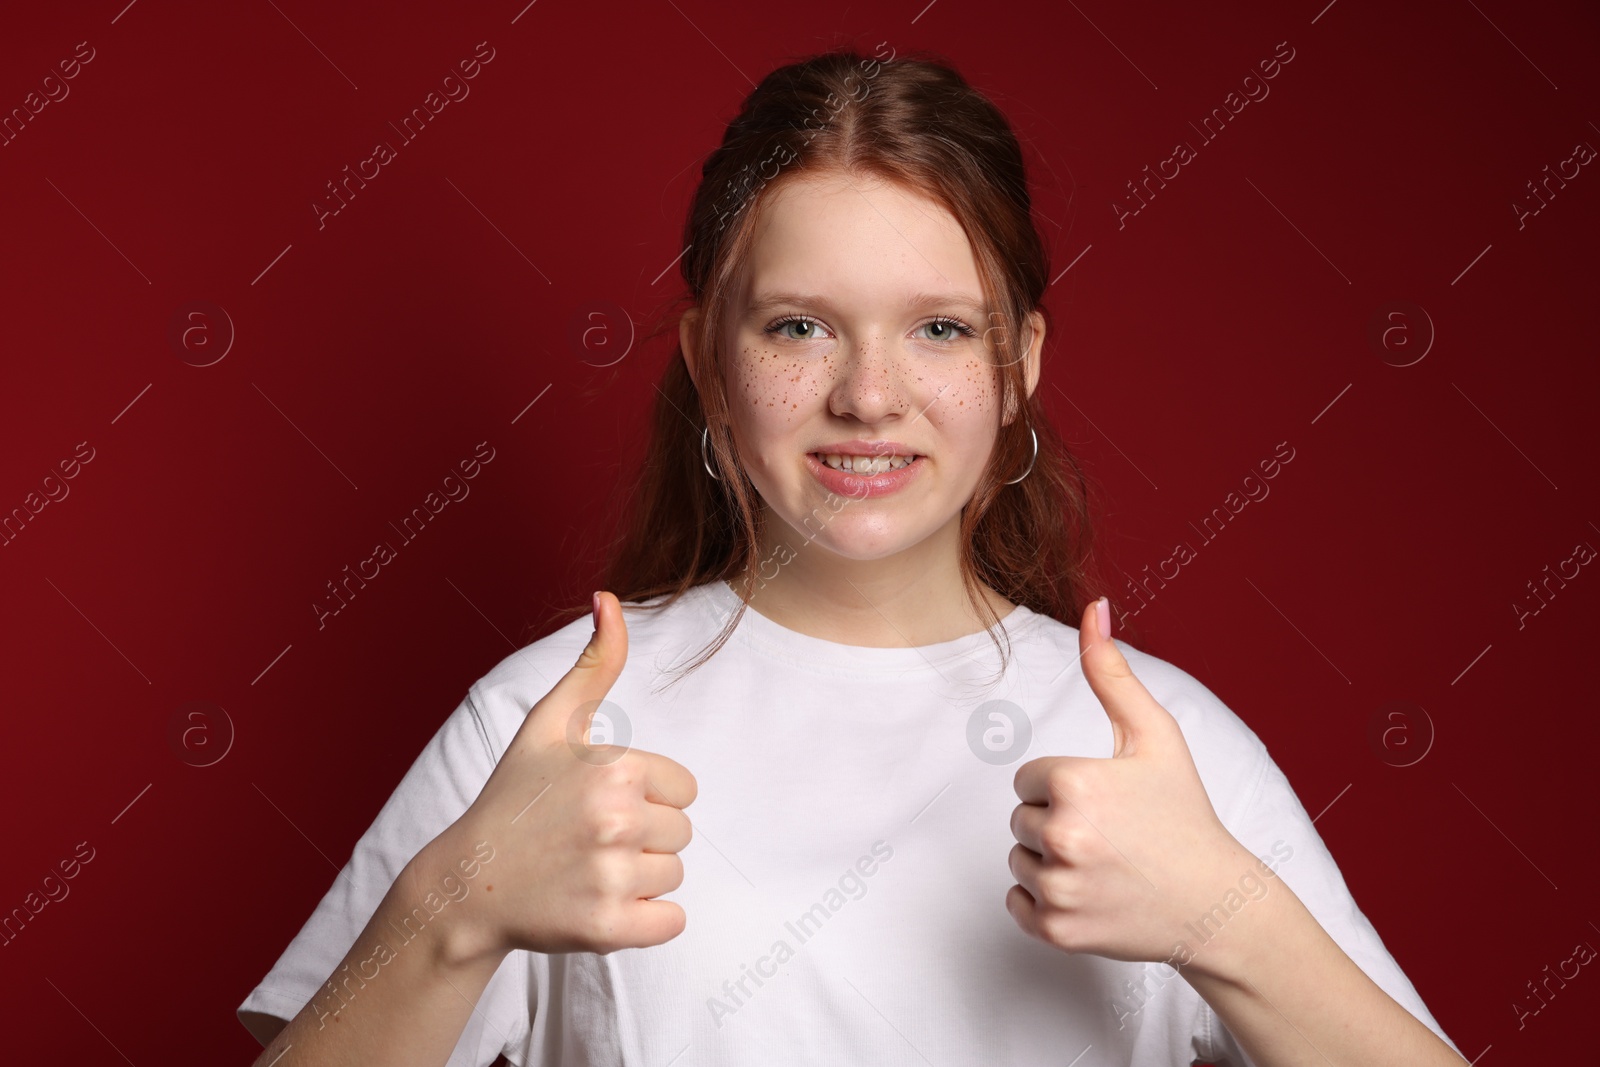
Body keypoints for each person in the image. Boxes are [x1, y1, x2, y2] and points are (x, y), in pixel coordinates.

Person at [239, 46, 1466, 1066]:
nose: (868, 394)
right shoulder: (548, 722)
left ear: (1018, 363)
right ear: (710, 360)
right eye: (798, 327)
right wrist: (450, 910)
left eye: (938, 327)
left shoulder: (1162, 747)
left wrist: (1229, 918)